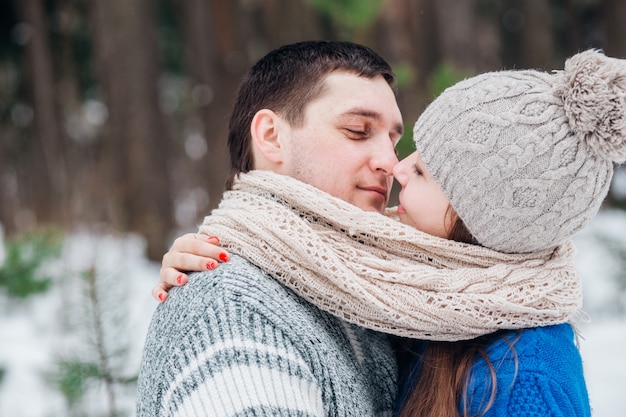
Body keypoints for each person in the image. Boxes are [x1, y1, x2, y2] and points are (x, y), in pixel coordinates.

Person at [155, 49, 626, 416]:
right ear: (272, 137)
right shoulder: (235, 306)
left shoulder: (400, 300)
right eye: (359, 131)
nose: (391, 163)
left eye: (399, 144)